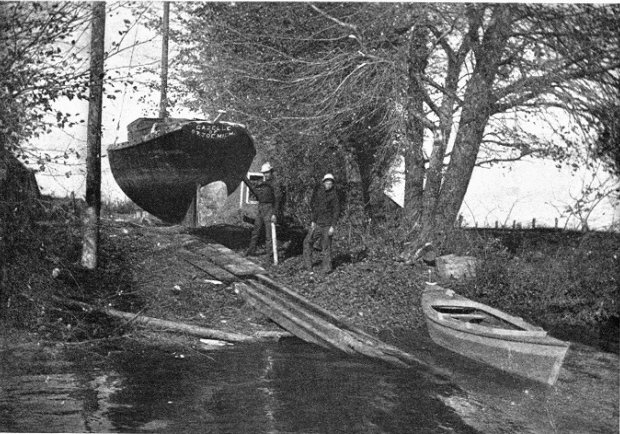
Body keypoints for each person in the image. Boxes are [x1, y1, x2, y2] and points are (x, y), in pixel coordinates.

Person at [303, 173, 341, 274]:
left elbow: (336, 212)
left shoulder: (334, 196)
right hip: (318, 224)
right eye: (327, 183)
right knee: (307, 242)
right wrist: (313, 221)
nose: (328, 185)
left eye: (330, 183)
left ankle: (326, 269)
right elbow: (316, 209)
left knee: (326, 247)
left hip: (327, 225)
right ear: (324, 183)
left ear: (332, 184)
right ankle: (308, 266)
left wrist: (332, 227)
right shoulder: (320, 193)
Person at [246, 162, 285, 257]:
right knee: (256, 231)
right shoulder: (264, 183)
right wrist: (245, 180)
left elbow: (277, 200)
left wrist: (274, 214)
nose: (265, 175)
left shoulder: (275, 183)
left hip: (269, 209)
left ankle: (269, 256)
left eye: (267, 172)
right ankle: (251, 252)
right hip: (261, 208)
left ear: (271, 172)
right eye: (264, 173)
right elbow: (257, 192)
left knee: (269, 235)